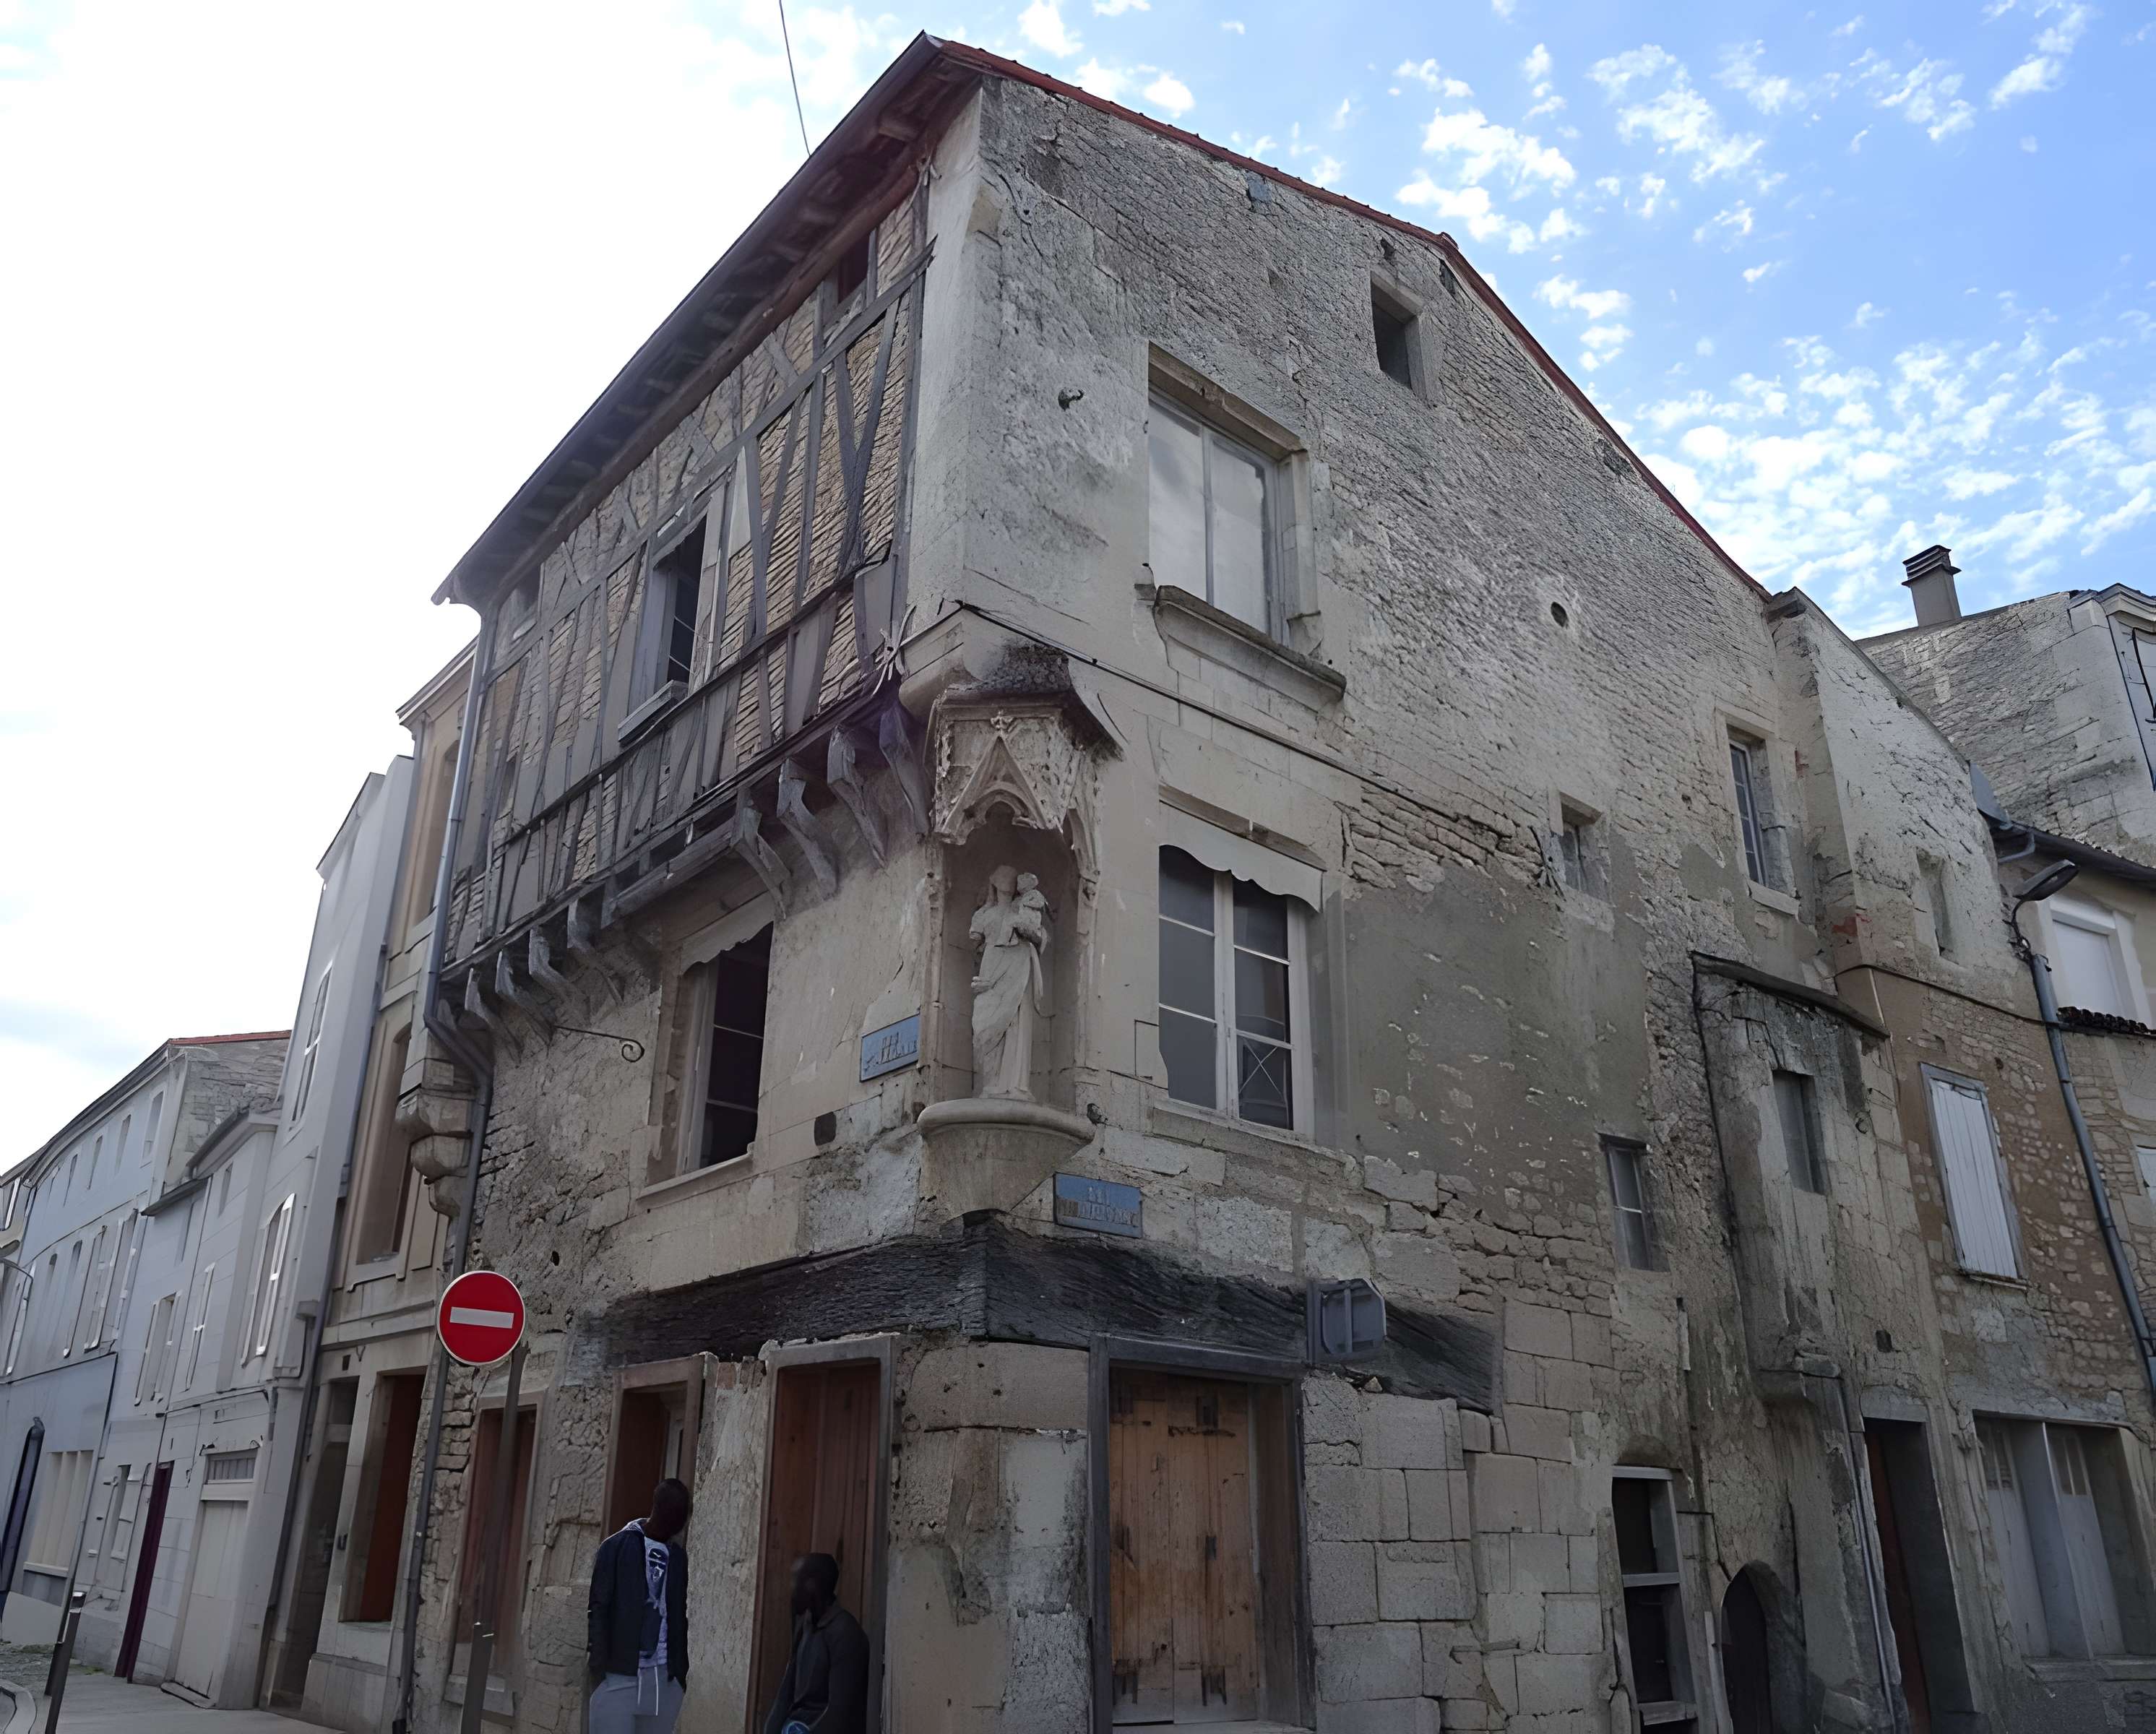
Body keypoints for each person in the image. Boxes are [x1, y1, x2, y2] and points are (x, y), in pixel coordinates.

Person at [588, 1478, 691, 1734]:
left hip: (664, 1678)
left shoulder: (678, 1557)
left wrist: (679, 1675)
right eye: (678, 1516)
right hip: (619, 1675)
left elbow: (679, 1613)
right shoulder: (616, 1547)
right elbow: (599, 1608)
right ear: (661, 1510)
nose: (681, 1524)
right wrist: (600, 1670)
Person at [762, 1553, 869, 1734]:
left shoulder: (845, 1632)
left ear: (812, 1586)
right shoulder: (806, 1624)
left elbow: (839, 1714)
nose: (791, 1589)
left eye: (796, 1581)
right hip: (797, 1725)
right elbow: (786, 1690)